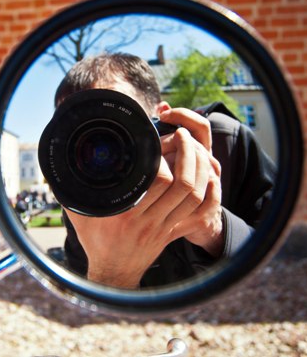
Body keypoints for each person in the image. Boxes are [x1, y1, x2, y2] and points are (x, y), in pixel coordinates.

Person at [54, 53, 276, 289]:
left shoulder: (227, 143)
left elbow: (284, 268)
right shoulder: (80, 194)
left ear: (163, 118)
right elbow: (80, 307)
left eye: (115, 122)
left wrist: (215, 228)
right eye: (77, 133)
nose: (103, 152)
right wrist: (110, 274)